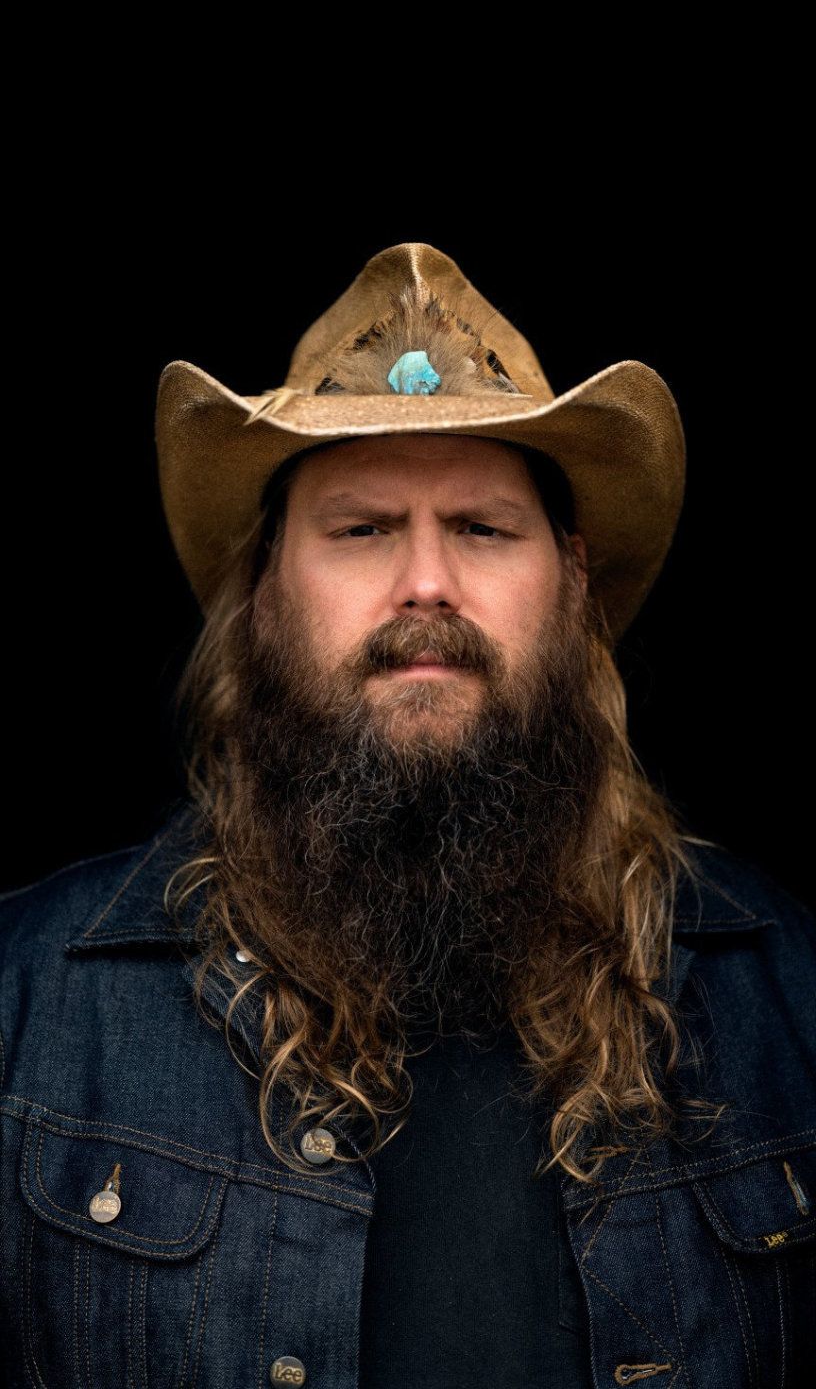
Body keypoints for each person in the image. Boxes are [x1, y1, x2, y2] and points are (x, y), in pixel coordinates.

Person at [1, 242, 814, 1389]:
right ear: (265, 590)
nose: (426, 580)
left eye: (482, 526)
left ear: (573, 580)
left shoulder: (785, 989)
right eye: (363, 527)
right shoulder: (30, 1003)